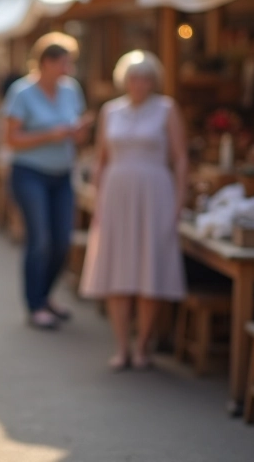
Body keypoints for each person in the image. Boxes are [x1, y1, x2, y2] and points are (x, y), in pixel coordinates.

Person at [80, 50, 188, 371]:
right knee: (118, 270)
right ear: (124, 80)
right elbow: (101, 159)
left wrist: (180, 198)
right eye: (133, 77)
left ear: (153, 81)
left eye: (145, 77)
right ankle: (121, 346)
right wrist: (96, 201)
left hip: (155, 195)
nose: (139, 83)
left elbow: (180, 157)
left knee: (148, 269)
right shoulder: (111, 112)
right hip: (117, 195)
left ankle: (143, 346)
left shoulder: (167, 109)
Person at [1, 32, 91, 330]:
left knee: (62, 240)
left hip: (62, 174)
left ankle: (46, 295)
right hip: (30, 173)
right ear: (46, 63)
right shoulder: (22, 92)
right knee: (39, 240)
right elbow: (11, 139)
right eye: (64, 63)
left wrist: (78, 131)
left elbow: (75, 134)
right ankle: (34, 304)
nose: (68, 69)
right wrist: (49, 135)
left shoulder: (71, 90)